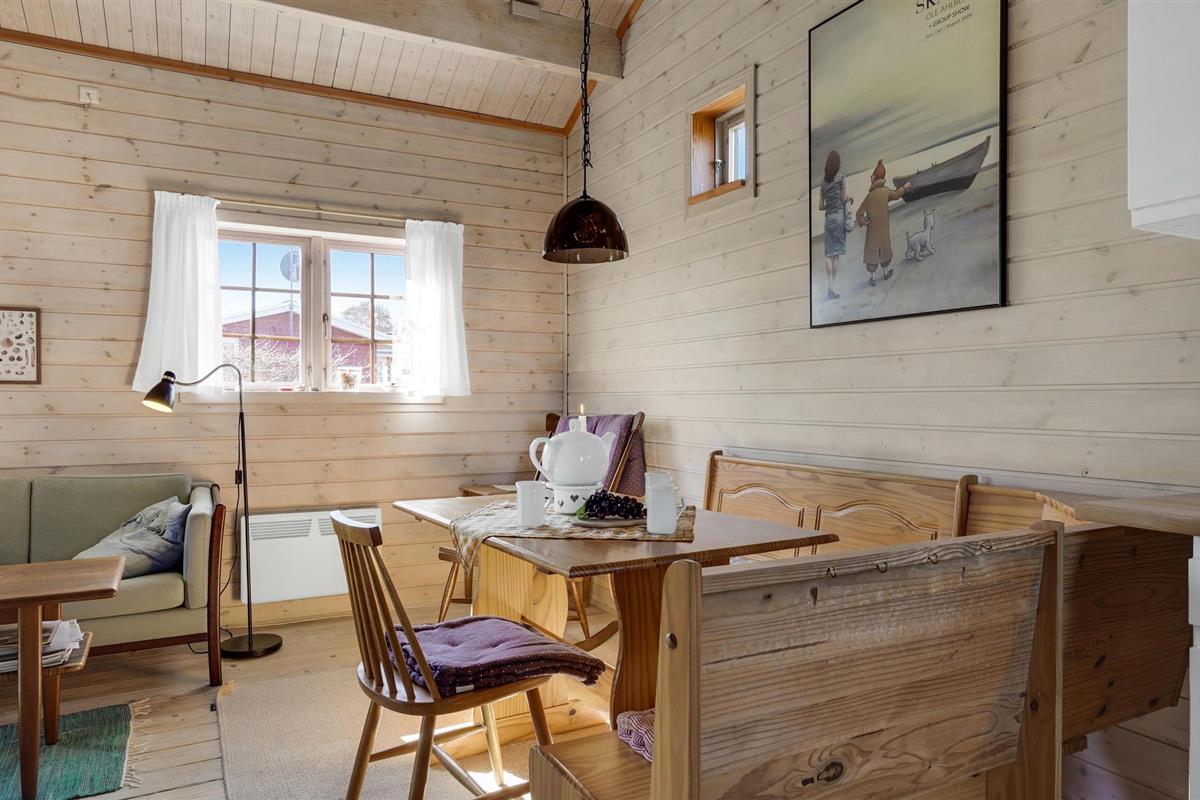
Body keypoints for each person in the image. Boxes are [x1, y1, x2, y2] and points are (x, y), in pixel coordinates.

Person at [855, 160, 912, 287]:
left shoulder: (869, 197)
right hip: (883, 230)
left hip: (872, 231)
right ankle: (886, 273)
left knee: (872, 253)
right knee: (884, 252)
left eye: (872, 175)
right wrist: (905, 187)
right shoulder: (885, 192)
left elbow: (859, 213)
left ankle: (873, 278)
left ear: (875, 178)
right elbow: (896, 195)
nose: (870, 177)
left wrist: (863, 221)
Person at [817, 150, 852, 300]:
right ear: (837, 164)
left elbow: (820, 206)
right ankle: (831, 287)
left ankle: (829, 286)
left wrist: (829, 205)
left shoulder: (823, 182)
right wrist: (849, 197)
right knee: (836, 254)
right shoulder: (841, 177)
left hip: (828, 220)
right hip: (839, 218)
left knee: (828, 254)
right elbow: (843, 199)